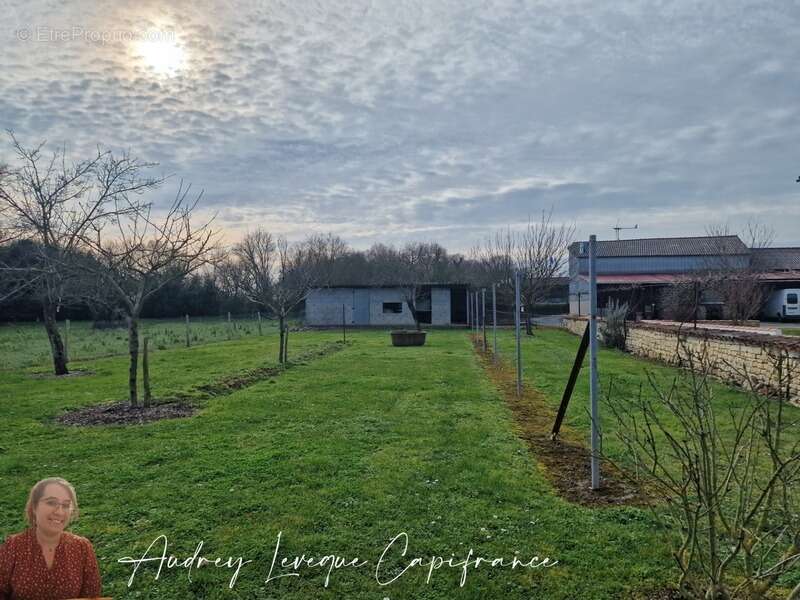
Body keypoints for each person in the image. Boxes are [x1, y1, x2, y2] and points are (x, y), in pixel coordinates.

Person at [0, 477, 102, 600]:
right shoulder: (13, 546)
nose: (59, 512)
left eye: (65, 505)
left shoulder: (82, 547)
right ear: (34, 507)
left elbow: (91, 596)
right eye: (51, 502)